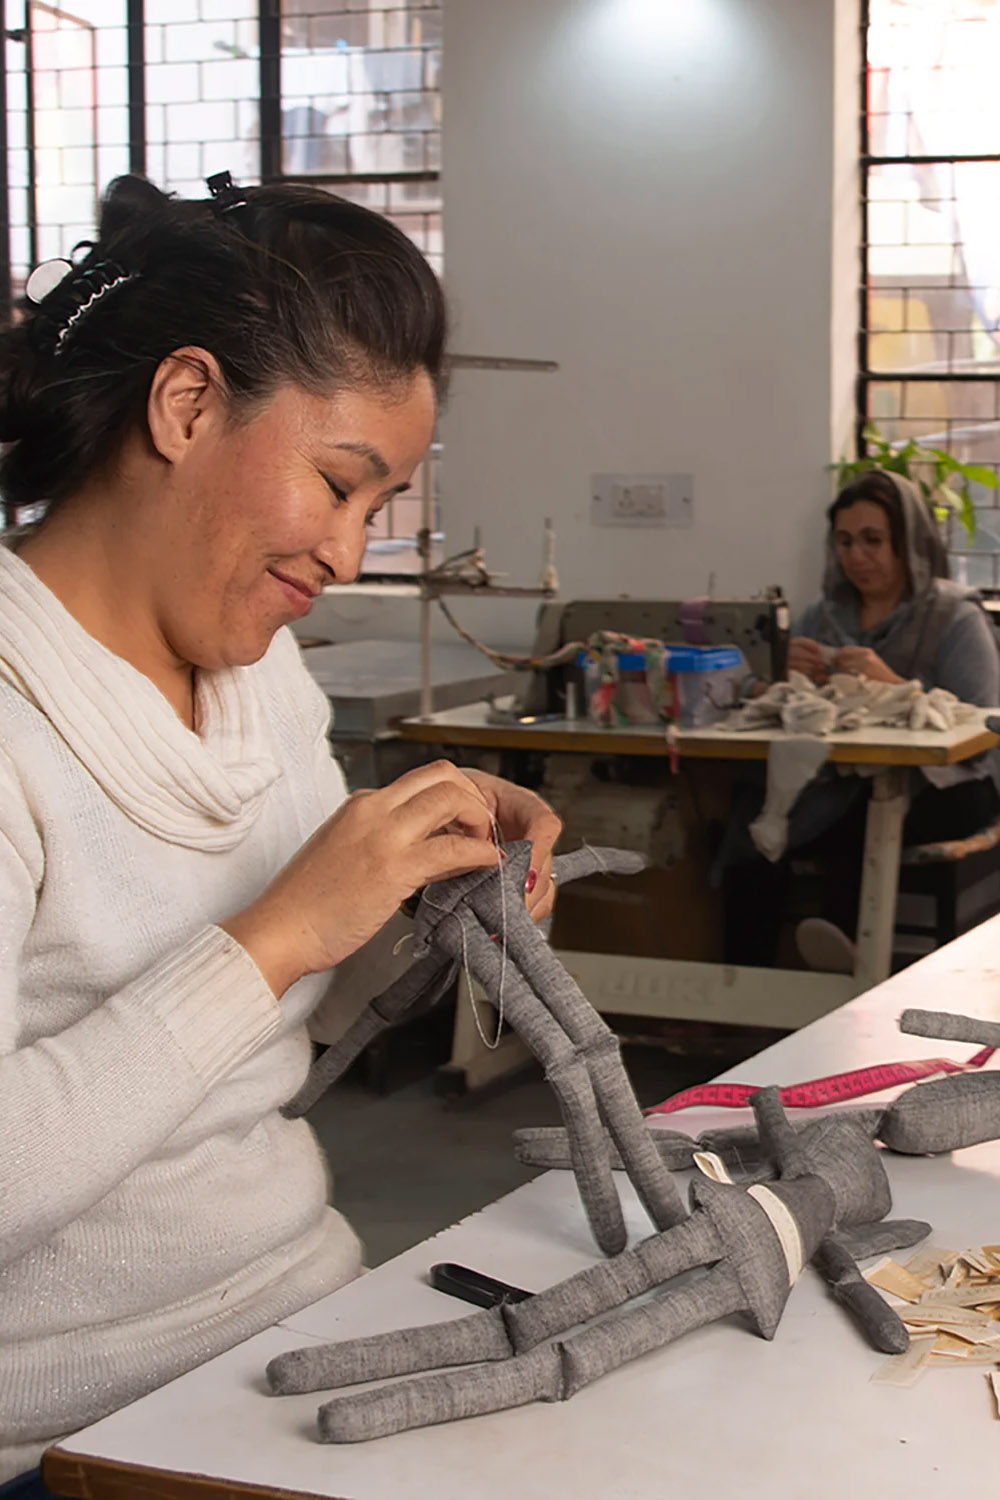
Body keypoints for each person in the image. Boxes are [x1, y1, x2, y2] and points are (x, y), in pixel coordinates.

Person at [0, 175, 562, 1492]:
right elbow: (269, 958)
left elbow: (299, 1018)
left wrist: (434, 911)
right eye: (339, 485)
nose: (350, 554)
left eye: (381, 509)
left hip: (295, 1326)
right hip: (76, 1431)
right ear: (187, 404)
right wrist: (276, 933)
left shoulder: (257, 676)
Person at [722, 469, 1000, 971]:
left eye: (873, 540)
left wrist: (891, 683)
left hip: (949, 785)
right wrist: (780, 679)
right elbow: (764, 695)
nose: (856, 556)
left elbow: (984, 721)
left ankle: (846, 963)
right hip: (839, 777)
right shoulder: (822, 616)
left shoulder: (955, 617)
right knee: (752, 810)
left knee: (855, 811)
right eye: (846, 542)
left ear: (908, 542)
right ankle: (741, 980)